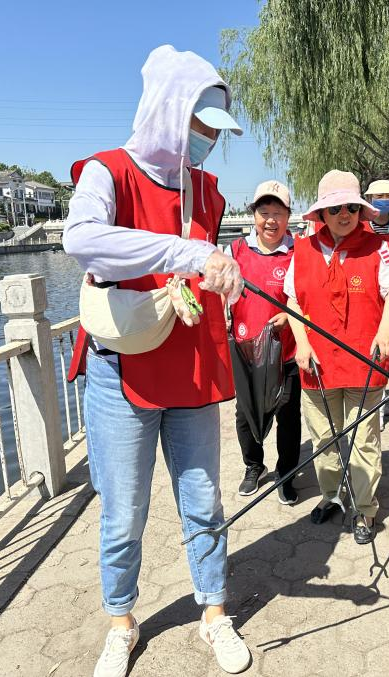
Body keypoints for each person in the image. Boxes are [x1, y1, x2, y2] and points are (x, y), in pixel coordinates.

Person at [62, 46, 251, 676]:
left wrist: (228, 273)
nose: (207, 143)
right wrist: (185, 253)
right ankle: (121, 620)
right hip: (121, 371)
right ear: (171, 112)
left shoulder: (211, 192)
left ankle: (215, 613)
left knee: (203, 502)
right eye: (201, 127)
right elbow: (82, 240)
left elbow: (208, 266)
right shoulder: (107, 172)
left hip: (191, 367)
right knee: (123, 513)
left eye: (216, 133)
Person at [284, 170, 389, 545]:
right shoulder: (301, 250)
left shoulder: (377, 247)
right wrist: (301, 343)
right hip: (315, 365)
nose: (344, 214)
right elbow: (292, 300)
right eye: (335, 208)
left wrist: (385, 329)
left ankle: (365, 509)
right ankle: (332, 495)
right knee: (324, 438)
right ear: (322, 213)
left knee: (364, 439)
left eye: (351, 207)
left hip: (363, 364)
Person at [226, 180, 301, 504]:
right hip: (246, 353)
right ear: (253, 215)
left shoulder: (299, 252)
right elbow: (218, 293)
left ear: (288, 216)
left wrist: (289, 318)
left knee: (288, 417)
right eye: (264, 212)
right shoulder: (235, 251)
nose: (271, 220)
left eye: (278, 213)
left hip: (285, 352)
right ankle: (253, 466)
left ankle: (286, 474)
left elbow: (305, 299)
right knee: (246, 415)